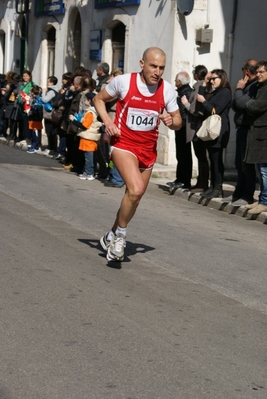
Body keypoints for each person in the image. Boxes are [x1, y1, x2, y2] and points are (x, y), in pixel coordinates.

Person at [94, 47, 182, 261]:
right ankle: (121, 237)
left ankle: (111, 235)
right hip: (123, 143)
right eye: (153, 66)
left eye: (162, 68)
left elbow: (178, 121)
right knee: (135, 189)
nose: (157, 72)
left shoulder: (167, 90)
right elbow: (99, 99)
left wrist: (172, 122)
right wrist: (108, 122)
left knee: (135, 197)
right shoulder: (124, 82)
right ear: (142, 64)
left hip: (147, 150)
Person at [196, 69, 232, 199]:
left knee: (216, 160)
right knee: (212, 159)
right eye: (211, 79)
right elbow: (201, 102)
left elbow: (215, 110)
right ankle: (213, 186)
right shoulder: (215, 92)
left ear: (222, 78)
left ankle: (218, 188)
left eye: (214, 78)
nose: (212, 81)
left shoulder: (225, 92)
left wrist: (204, 101)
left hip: (219, 131)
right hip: (211, 131)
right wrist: (204, 84)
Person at [229, 59, 258, 206]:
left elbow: (240, 103)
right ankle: (238, 193)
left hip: (249, 130)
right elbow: (235, 105)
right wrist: (240, 91)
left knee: (247, 165)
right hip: (241, 128)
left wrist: (239, 88)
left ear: (246, 71)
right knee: (239, 164)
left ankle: (247, 195)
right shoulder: (247, 86)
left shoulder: (253, 87)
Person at [181, 65, 209, 193]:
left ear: (197, 74)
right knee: (200, 156)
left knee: (201, 156)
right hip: (197, 126)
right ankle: (200, 182)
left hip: (197, 126)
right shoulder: (199, 86)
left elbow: (195, 109)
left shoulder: (199, 87)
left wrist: (185, 103)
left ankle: (203, 183)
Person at [244, 60, 267, 215]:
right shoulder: (259, 87)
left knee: (265, 170)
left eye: (261, 72)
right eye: (257, 72)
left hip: (264, 132)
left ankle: (264, 201)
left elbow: (258, 105)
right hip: (258, 131)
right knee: (260, 168)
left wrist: (248, 104)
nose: (258, 75)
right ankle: (262, 200)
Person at [167, 71, 193, 190]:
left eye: (176, 81)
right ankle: (180, 178)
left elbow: (183, 111)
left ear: (180, 82)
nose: (175, 83)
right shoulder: (183, 92)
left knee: (184, 154)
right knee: (180, 153)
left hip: (183, 127)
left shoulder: (186, 93)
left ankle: (184, 180)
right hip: (181, 127)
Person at [69, 92, 102, 180]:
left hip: (88, 138)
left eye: (85, 99)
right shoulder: (94, 111)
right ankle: (89, 172)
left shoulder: (90, 113)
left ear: (90, 101)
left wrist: (73, 120)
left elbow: (85, 125)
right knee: (89, 157)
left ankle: (89, 173)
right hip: (90, 137)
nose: (84, 101)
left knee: (89, 157)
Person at [16, 70, 35, 143]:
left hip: (28, 107)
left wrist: (27, 97)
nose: (25, 77)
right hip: (21, 106)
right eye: (24, 76)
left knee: (28, 123)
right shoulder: (22, 84)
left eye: (26, 76)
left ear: (30, 76)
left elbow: (32, 95)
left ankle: (29, 138)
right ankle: (26, 137)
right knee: (24, 123)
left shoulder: (31, 85)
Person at [42, 76, 59, 157]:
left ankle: (51, 148)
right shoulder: (56, 90)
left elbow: (44, 100)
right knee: (51, 132)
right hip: (52, 114)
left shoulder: (51, 91)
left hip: (50, 114)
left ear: (52, 82)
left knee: (49, 131)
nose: (47, 83)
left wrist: (43, 92)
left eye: (48, 81)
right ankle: (52, 148)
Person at [27, 85, 43, 153]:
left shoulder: (39, 99)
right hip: (32, 118)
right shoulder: (34, 99)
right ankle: (34, 145)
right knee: (32, 132)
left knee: (35, 133)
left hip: (36, 119)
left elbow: (37, 109)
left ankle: (35, 146)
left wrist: (31, 111)